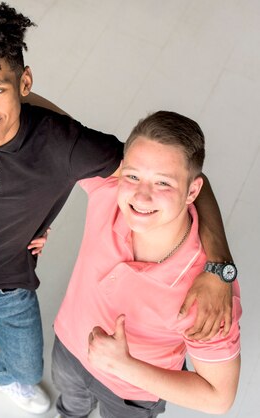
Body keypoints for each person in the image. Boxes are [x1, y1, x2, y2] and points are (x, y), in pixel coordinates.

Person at [0, 2, 235, 417]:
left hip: (10, 282)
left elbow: (170, 168)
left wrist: (220, 266)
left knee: (28, 366)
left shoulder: (66, 145)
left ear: (24, 82)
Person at [52, 111, 242, 417]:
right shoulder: (109, 190)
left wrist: (124, 366)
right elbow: (50, 125)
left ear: (193, 191)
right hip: (69, 349)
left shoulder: (207, 295)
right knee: (70, 408)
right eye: (133, 176)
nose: (141, 196)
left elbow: (218, 398)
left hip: (131, 394)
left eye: (163, 183)